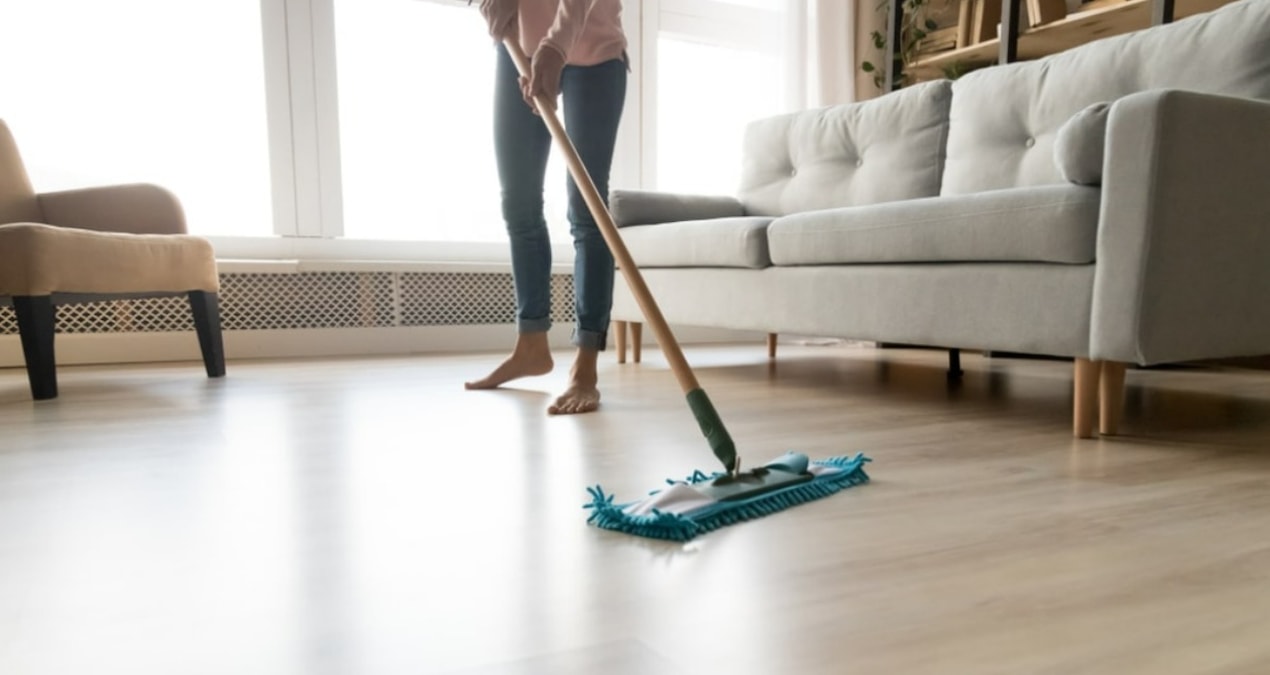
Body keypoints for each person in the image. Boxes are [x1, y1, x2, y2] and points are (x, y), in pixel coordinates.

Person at [464, 0, 628, 415]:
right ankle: (531, 345)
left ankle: (585, 365)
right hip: (520, 46)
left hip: (594, 49)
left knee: (587, 209)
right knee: (518, 201)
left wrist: (555, 47)